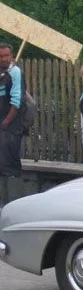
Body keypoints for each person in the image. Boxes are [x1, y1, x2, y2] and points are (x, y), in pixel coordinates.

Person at [0, 43, 24, 203]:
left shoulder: (15, 72)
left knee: (9, 165)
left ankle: (12, 203)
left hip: (10, 127)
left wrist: (5, 123)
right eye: (0, 56)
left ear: (12, 56)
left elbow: (16, 101)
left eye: (6, 55)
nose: (3, 59)